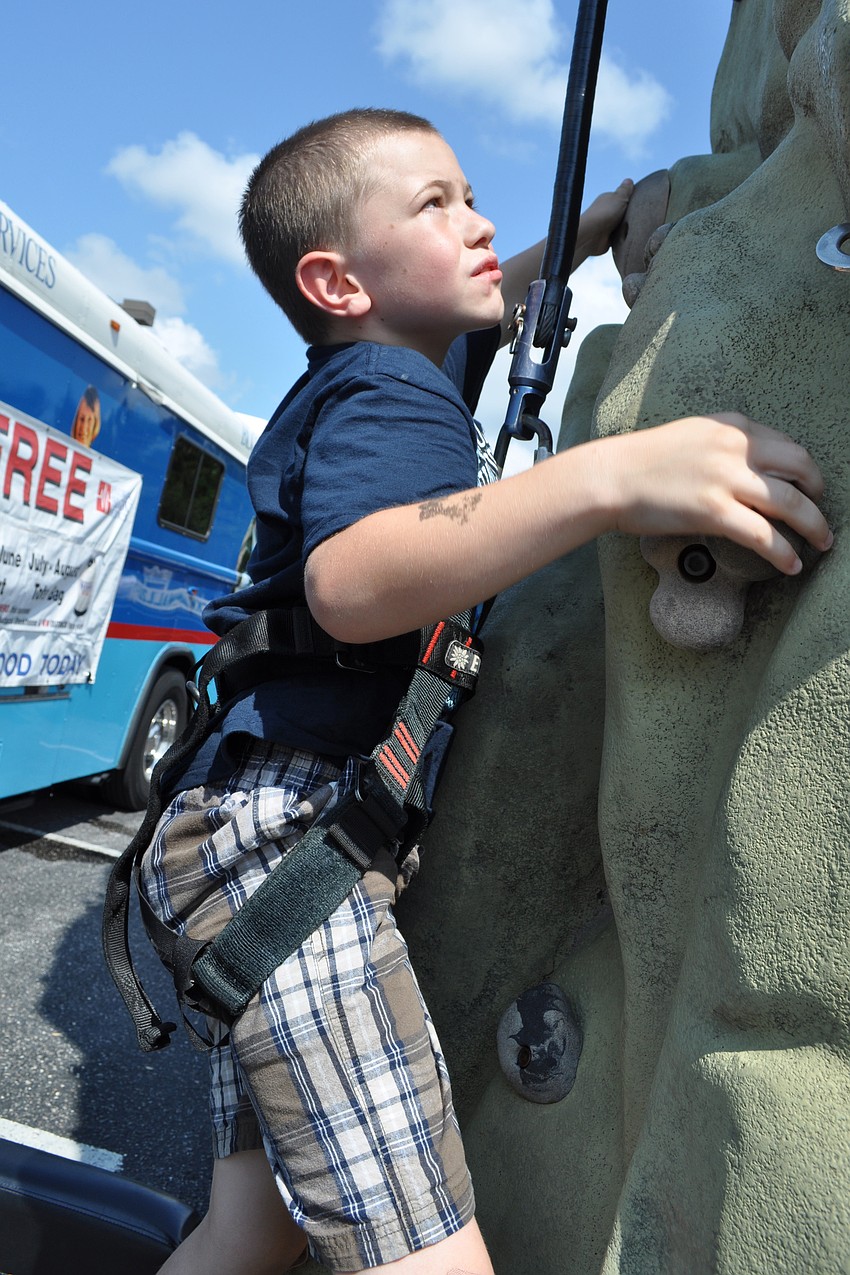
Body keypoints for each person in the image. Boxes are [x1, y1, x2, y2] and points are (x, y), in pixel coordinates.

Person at [139, 109, 832, 1275]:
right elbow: (354, 579)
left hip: (240, 839)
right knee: (434, 1260)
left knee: (249, 1237)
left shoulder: (380, 365)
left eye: (470, 196)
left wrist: (592, 226)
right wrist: (614, 473)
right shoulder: (385, 392)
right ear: (337, 281)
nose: (479, 223)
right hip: (281, 850)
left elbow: (497, 295)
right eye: (436, 205)